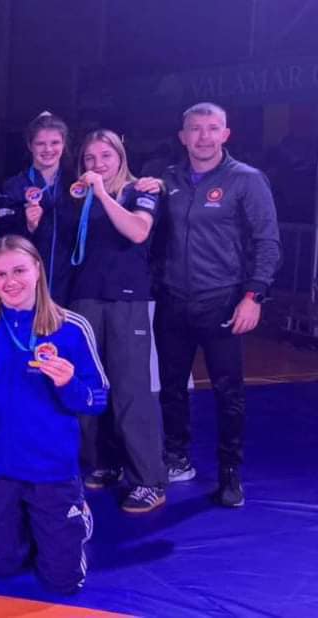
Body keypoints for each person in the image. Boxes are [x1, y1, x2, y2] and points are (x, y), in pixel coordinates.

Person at [152, 102, 281, 507]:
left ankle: (229, 472)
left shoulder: (246, 179)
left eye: (212, 128)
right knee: (171, 387)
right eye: (195, 129)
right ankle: (176, 457)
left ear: (226, 134)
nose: (204, 137)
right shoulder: (167, 179)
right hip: (173, 300)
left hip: (222, 301)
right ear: (183, 136)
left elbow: (268, 242)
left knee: (229, 392)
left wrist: (253, 296)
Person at [0, 235, 107, 594]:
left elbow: (97, 400)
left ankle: (75, 516)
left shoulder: (71, 327)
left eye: (19, 271)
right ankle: (33, 527)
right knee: (0, 566)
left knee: (63, 582)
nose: (10, 282)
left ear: (38, 270)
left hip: (52, 470)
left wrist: (69, 383)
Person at [69, 130, 166, 513]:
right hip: (86, 297)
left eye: (105, 156)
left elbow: (138, 231)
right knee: (91, 386)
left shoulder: (141, 190)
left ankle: (148, 480)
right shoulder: (81, 197)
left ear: (121, 157)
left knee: (131, 390)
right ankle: (105, 462)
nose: (98, 164)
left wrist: (104, 193)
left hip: (127, 301)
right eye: (90, 158)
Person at [0, 112, 79, 305]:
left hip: (70, 284)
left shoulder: (76, 185)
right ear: (30, 145)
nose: (48, 149)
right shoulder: (13, 186)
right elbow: (0, 237)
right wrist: (27, 226)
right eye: (41, 143)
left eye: (55, 143)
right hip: (26, 287)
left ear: (64, 144)